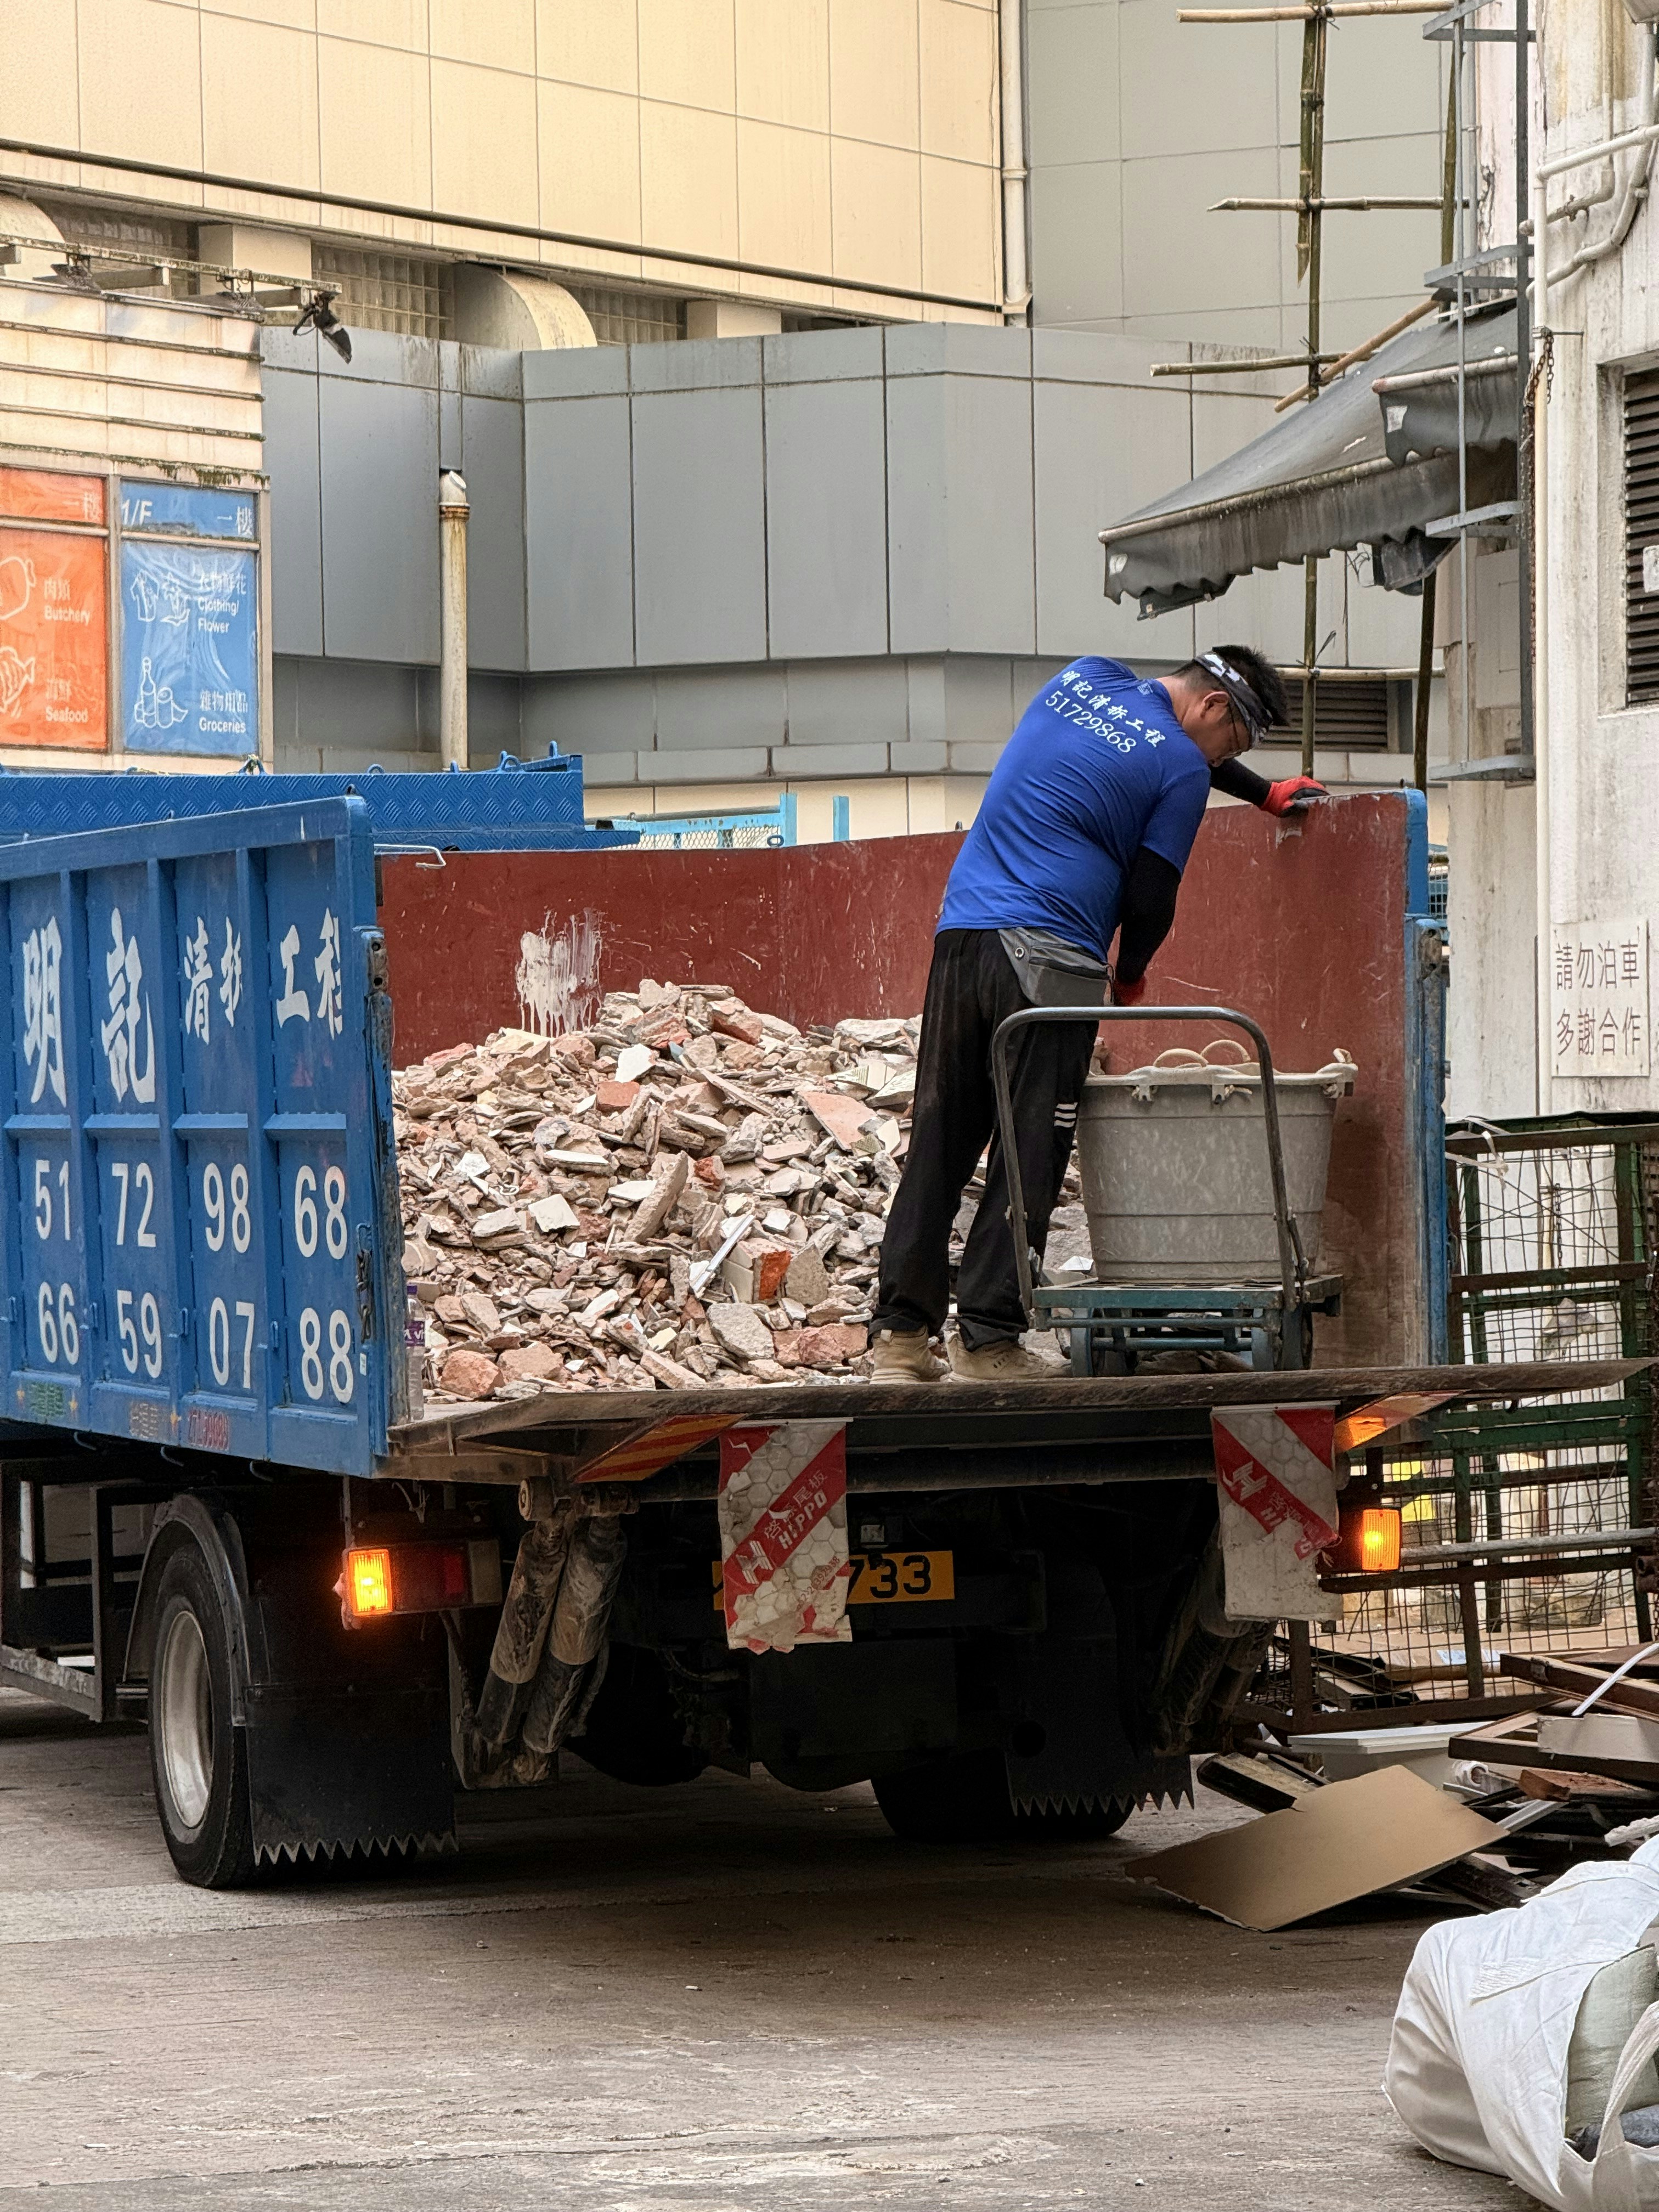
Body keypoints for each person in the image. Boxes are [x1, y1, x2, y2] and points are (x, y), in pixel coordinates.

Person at [868, 646, 1324, 1384]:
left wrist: (1261, 792)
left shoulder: (1085, 677)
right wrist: (1133, 972)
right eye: (1232, 743)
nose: (1218, 761)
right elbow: (1151, 895)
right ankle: (987, 1340)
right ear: (1212, 710)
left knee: (943, 1134)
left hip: (963, 934)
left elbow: (1161, 747)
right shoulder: (1179, 767)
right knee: (1029, 1148)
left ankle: (898, 1338)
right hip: (1050, 962)